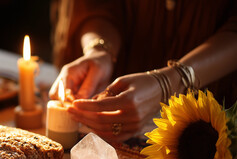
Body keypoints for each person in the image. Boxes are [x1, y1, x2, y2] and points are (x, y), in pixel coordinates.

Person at [49, 0, 237, 143]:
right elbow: (97, 6)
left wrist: (171, 82)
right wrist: (99, 51)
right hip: (119, 98)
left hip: (214, 114)